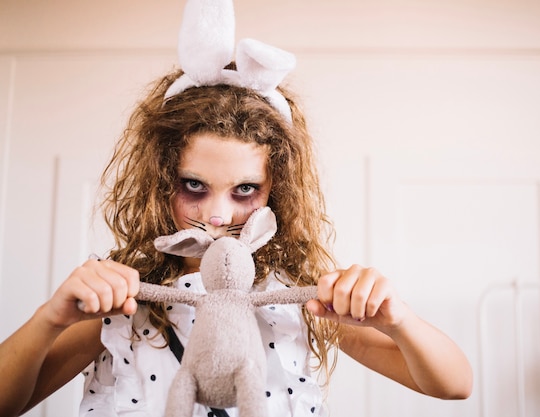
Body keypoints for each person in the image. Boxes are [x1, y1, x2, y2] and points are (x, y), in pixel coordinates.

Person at [0, 2, 472, 416]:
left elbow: (455, 385)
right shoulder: (122, 298)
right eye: (193, 185)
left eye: (245, 189)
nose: (219, 215)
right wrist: (51, 318)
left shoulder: (300, 296)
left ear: (276, 191)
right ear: (159, 181)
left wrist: (398, 320)